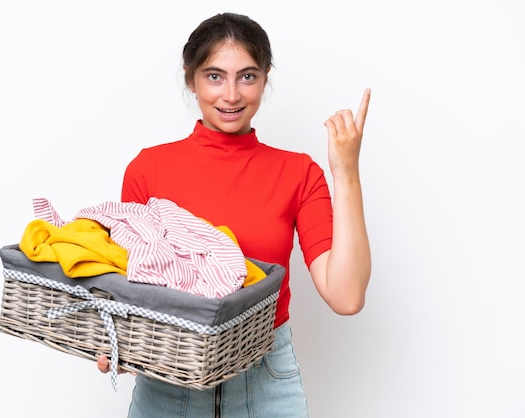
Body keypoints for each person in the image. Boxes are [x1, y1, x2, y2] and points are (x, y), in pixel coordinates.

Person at [97, 11, 371, 417]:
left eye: (247, 76)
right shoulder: (148, 170)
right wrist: (116, 340)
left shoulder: (298, 173)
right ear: (190, 78)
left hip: (265, 377)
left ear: (265, 77)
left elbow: (346, 296)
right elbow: (131, 284)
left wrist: (345, 171)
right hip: (170, 376)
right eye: (214, 76)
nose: (231, 95)